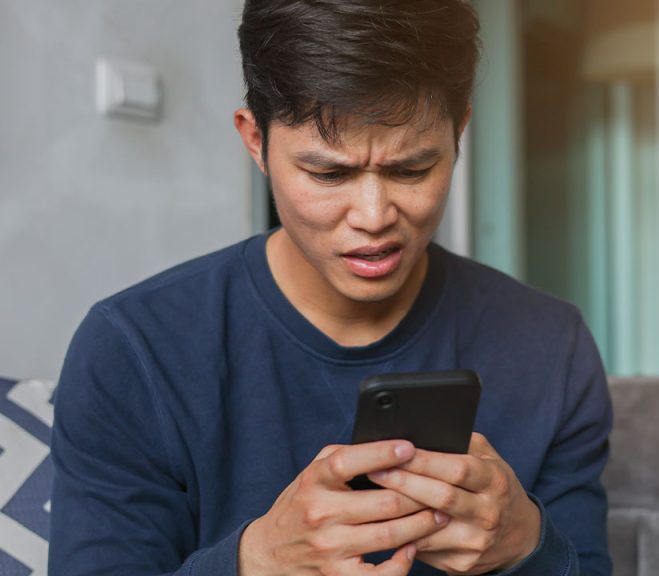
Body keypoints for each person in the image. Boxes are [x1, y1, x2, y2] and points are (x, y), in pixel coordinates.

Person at [49, 1, 613, 575]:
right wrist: (255, 563)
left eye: (411, 170)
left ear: (460, 131)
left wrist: (530, 544)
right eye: (329, 174)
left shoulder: (550, 346)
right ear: (254, 141)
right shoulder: (133, 350)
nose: (373, 216)